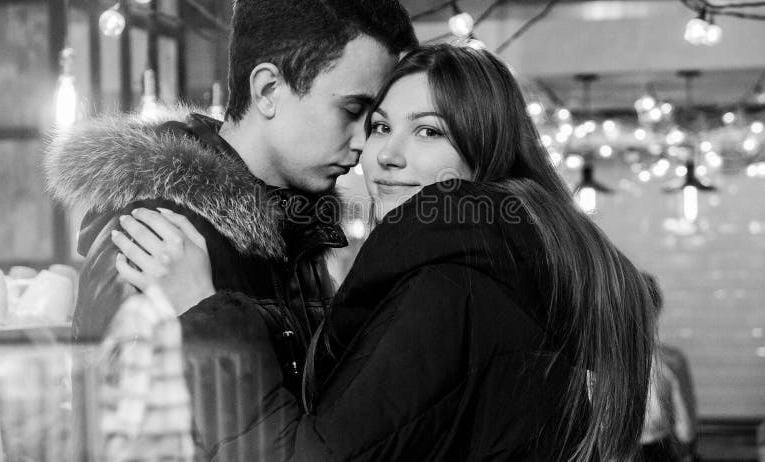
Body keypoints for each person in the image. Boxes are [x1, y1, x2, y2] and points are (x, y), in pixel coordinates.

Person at [114, 44, 658, 461]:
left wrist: (200, 311)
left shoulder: (451, 291)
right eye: (380, 127)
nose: (386, 156)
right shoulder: (504, 268)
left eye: (427, 132)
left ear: (484, 151)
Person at [44, 0, 417, 457]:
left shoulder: (294, 229)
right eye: (352, 110)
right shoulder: (157, 234)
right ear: (268, 89)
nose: (363, 143)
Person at [641, 273, 700, 462]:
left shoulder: (672, 362)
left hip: (661, 449)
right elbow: (686, 432)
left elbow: (686, 433)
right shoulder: (672, 362)